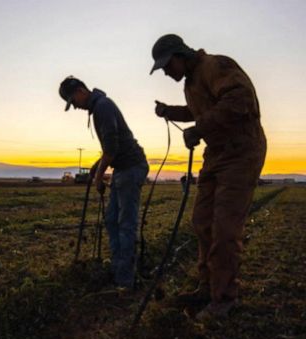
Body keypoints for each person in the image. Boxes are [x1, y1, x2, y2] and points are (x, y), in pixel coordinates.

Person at [150, 34, 266, 319]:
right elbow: (198, 111)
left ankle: (224, 298)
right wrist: (170, 112)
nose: (166, 72)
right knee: (201, 221)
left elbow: (240, 99)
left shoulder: (215, 65)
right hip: (216, 155)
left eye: (167, 65)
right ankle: (207, 286)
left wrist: (199, 129)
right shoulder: (191, 82)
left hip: (240, 152)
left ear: (180, 55)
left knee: (225, 229)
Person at [59, 76, 149, 290]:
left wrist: (99, 177)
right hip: (122, 167)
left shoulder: (103, 107)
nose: (76, 107)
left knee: (125, 224)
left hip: (131, 167)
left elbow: (112, 148)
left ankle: (125, 280)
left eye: (74, 101)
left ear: (81, 91)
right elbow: (111, 148)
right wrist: (97, 165)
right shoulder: (99, 107)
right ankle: (118, 268)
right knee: (111, 220)